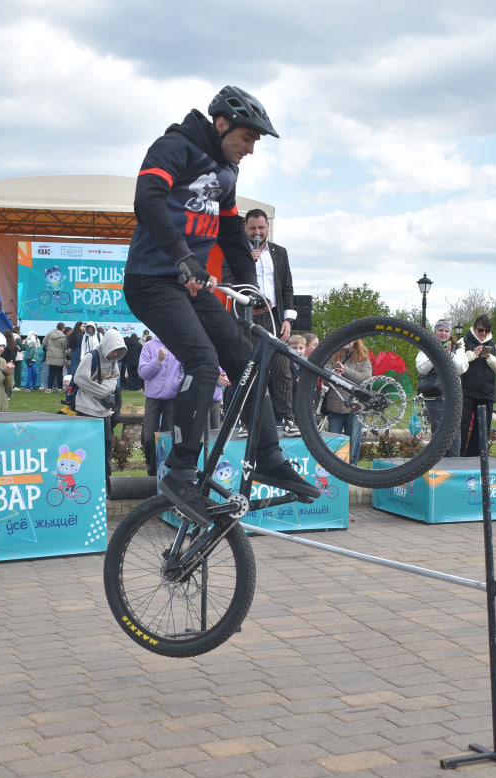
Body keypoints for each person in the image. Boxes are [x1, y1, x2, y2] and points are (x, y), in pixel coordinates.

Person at [121, 84, 319, 525]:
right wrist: (184, 258)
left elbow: (231, 234)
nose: (251, 149)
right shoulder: (175, 146)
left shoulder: (227, 173)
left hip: (191, 284)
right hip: (151, 281)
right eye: (248, 138)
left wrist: (250, 288)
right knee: (203, 361)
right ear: (222, 123)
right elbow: (146, 200)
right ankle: (180, 472)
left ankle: (268, 455)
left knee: (246, 359)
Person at [222, 209, 299, 434]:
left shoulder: (279, 253)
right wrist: (247, 262)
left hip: (273, 317)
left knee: (282, 369)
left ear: (267, 227)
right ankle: (245, 421)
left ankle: (287, 419)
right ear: (245, 229)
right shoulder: (234, 252)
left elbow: (287, 287)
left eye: (261, 228)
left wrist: (288, 320)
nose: (257, 232)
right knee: (247, 371)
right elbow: (227, 285)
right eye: (253, 228)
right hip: (245, 319)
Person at [74, 328, 127, 481]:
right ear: (107, 345)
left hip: (103, 411)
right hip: (86, 409)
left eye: (118, 351)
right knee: (86, 447)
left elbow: (114, 379)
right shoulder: (91, 357)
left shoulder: (112, 361)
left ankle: (106, 479)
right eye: (114, 350)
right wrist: (102, 391)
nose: (115, 354)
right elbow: (80, 379)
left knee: (106, 445)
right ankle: (85, 479)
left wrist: (105, 389)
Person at [415, 319, 468, 459]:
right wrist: (436, 355)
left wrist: (449, 355)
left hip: (453, 395)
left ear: (450, 333)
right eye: (440, 330)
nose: (443, 333)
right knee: (438, 428)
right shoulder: (426, 346)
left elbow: (462, 367)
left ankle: (454, 463)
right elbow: (421, 368)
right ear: (435, 331)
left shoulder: (458, 348)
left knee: (454, 429)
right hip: (434, 394)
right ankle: (438, 462)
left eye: (446, 331)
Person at [459, 314, 496, 456]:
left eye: (487, 330)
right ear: (474, 328)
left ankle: (475, 459)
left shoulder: (493, 345)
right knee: (462, 426)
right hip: (466, 392)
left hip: (486, 393)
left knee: (482, 429)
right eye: (481, 330)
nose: (484, 334)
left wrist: (490, 358)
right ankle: (458, 457)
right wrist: (473, 355)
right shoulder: (465, 340)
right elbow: (458, 362)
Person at [138, 335, 183, 477]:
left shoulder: (178, 345)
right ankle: (152, 472)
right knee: (149, 437)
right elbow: (143, 373)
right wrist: (157, 360)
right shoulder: (149, 346)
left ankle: (166, 473)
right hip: (153, 397)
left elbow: (186, 369)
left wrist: (178, 381)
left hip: (172, 397)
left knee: (168, 437)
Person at [323, 339, 372, 465]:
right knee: (333, 444)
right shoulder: (332, 356)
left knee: (354, 444)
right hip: (335, 407)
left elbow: (365, 379)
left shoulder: (363, 358)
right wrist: (333, 375)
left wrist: (345, 370)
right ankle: (334, 470)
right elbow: (324, 379)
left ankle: (352, 469)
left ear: (356, 340)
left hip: (355, 408)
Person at [43, 322, 69, 392]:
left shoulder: (50, 333)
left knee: (51, 373)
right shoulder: (63, 337)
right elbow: (65, 346)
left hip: (50, 356)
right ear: (63, 328)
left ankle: (49, 388)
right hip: (59, 357)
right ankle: (60, 388)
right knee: (59, 373)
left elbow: (44, 342)